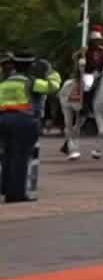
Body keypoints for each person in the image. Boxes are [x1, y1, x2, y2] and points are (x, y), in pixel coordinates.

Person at [2, 51, 59, 202]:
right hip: (23, 121)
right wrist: (51, 72)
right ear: (30, 66)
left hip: (3, 120)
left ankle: (5, 188)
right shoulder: (31, 82)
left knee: (7, 156)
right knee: (21, 158)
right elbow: (52, 87)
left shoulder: (5, 83)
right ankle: (16, 194)